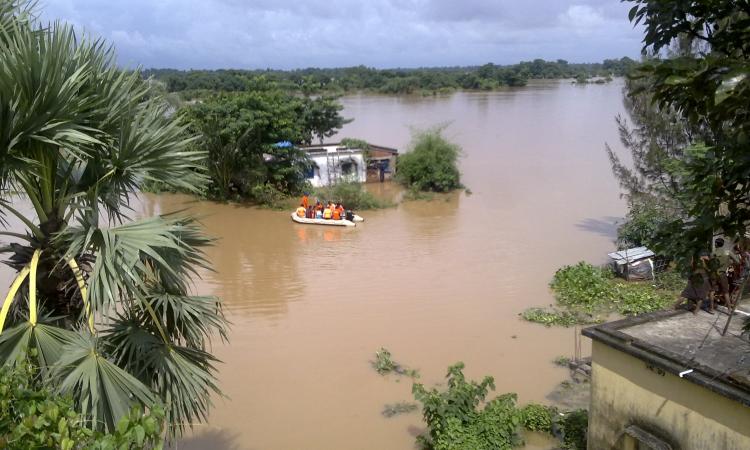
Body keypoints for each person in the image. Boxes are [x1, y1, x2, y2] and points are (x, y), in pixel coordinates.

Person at [710, 237, 739, 307]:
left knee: (712, 291)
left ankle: (711, 308)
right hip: (722, 274)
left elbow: (710, 265)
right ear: (722, 244)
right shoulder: (727, 252)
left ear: (716, 244)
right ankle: (729, 309)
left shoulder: (713, 253)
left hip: (714, 274)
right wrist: (728, 263)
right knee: (726, 292)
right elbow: (737, 261)